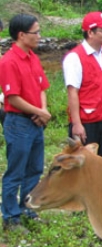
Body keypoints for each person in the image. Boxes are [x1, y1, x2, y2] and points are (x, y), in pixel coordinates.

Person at [0, 14, 51, 232]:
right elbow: (12, 98)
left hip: (36, 122)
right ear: (21, 35)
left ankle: (29, 208)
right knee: (16, 171)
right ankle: (11, 216)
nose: (39, 36)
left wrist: (44, 111)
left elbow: (41, 88)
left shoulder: (33, 58)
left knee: (35, 168)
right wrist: (39, 111)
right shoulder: (9, 61)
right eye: (36, 32)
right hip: (19, 122)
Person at [62, 12, 102, 161]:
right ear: (90, 32)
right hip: (87, 120)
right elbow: (72, 92)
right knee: (85, 164)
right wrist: (77, 123)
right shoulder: (75, 57)